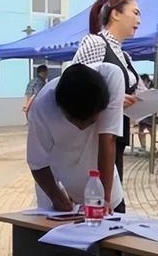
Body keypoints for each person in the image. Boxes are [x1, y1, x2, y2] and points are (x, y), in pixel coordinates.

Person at [72, 0, 145, 213]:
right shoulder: (96, 42)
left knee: (113, 202)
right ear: (115, 14)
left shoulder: (125, 56)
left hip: (116, 139)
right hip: (94, 142)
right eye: (135, 12)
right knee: (103, 202)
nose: (139, 20)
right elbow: (74, 86)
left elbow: (137, 90)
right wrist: (111, 99)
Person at [27, 63, 124, 213]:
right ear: (60, 108)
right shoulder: (42, 107)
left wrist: (104, 199)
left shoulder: (111, 78)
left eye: (90, 122)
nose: (82, 128)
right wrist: (57, 197)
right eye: (74, 121)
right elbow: (37, 162)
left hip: (106, 191)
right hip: (64, 200)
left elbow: (108, 140)